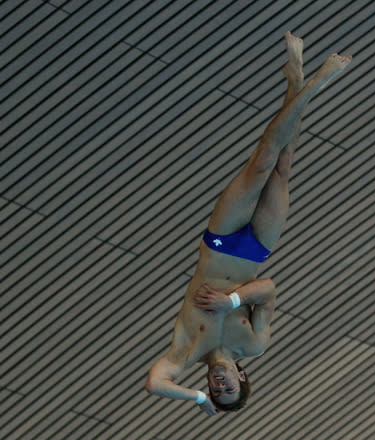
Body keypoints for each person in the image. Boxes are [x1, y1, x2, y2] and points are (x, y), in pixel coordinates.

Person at [145, 31, 351, 415]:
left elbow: (155, 383)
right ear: (242, 377)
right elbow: (270, 289)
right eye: (228, 389)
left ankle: (312, 84)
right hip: (256, 248)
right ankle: (294, 80)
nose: (219, 385)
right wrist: (233, 301)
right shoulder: (254, 344)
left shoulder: (188, 349)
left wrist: (196, 399)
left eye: (214, 389)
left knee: (260, 163)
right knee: (283, 167)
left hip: (221, 242)